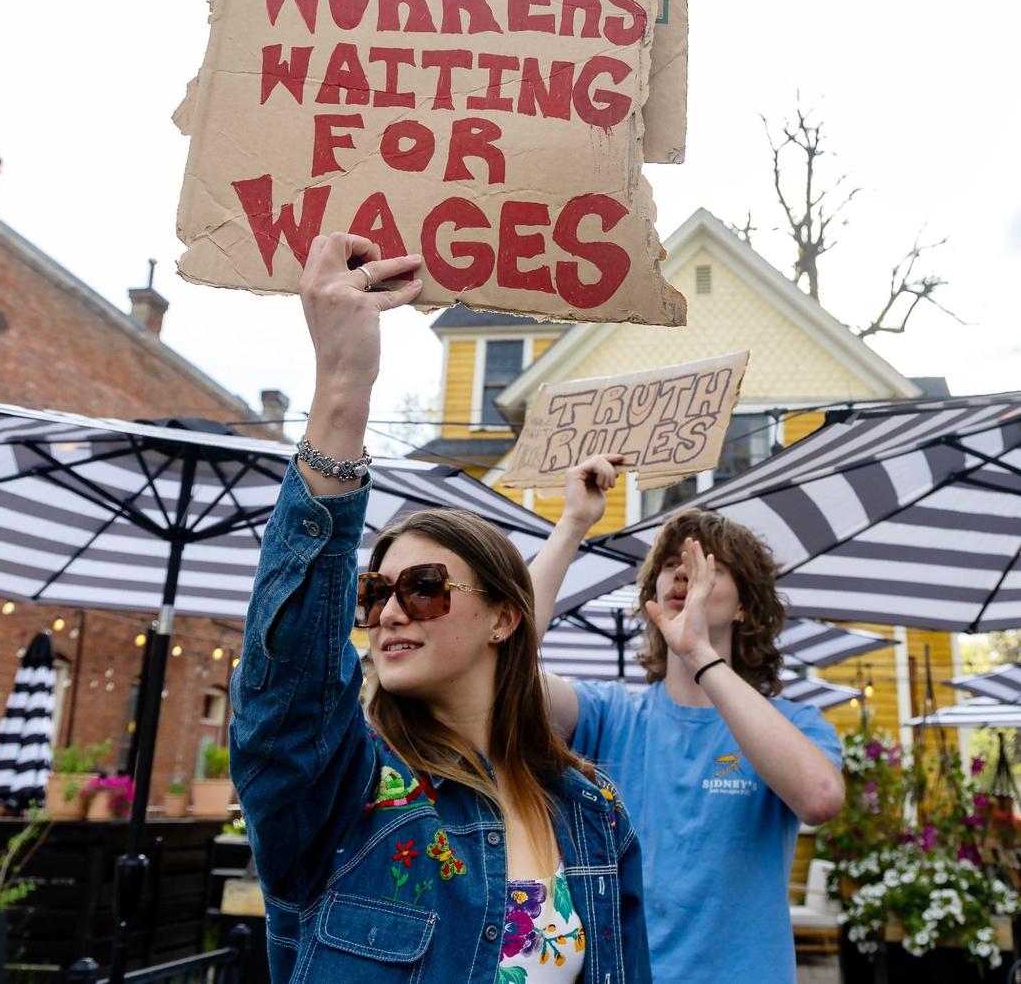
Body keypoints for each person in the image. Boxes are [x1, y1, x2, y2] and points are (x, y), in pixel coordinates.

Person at [229, 233, 651, 984]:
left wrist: (574, 522)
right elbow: (287, 680)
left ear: (503, 617)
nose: (390, 611)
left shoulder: (592, 810)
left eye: (423, 586)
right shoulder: (342, 789)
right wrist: (342, 390)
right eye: (373, 592)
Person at [530, 456, 845, 984]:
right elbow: (502, 668)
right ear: (652, 593)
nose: (684, 575)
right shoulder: (610, 713)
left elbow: (820, 798)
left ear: (745, 606)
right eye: (672, 565)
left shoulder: (793, 723)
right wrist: (573, 524)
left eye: (708, 567)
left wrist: (700, 654)